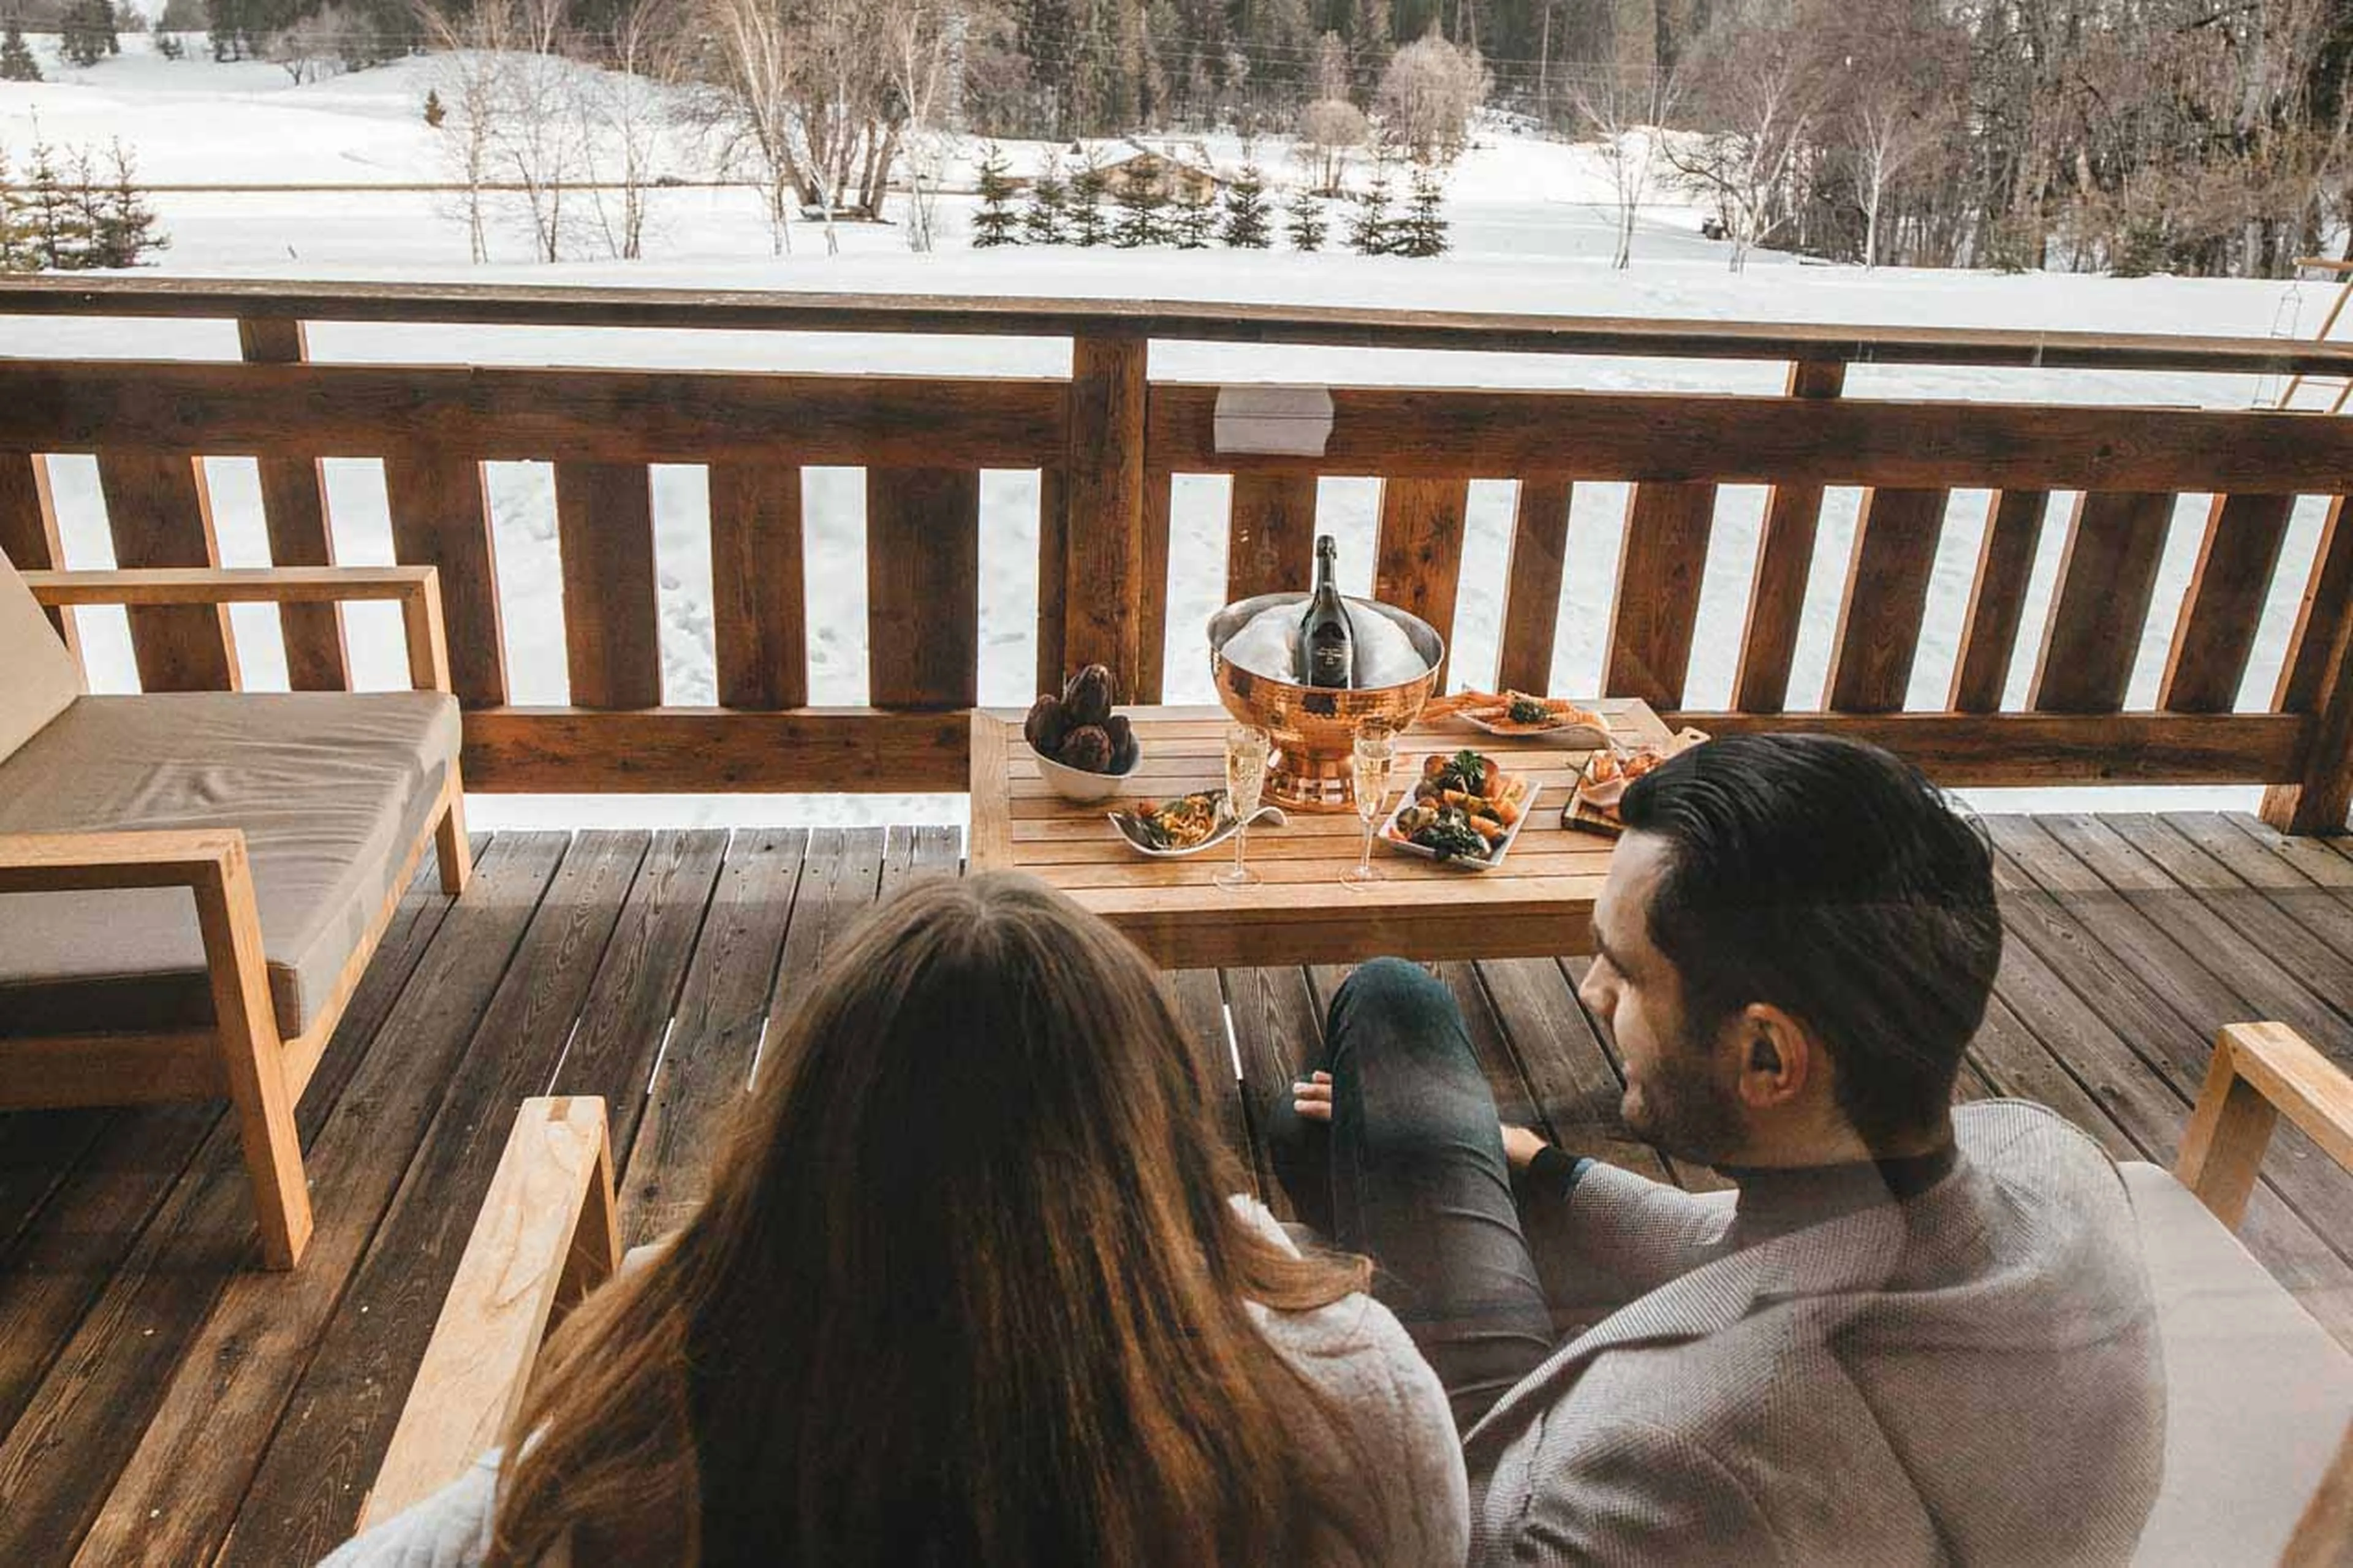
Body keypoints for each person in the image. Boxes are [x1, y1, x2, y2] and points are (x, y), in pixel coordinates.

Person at [327, 874, 1467, 1568]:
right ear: (1155, 1136)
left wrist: (687, 1261)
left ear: (806, 1141)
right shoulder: (1356, 1397)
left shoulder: (644, 1438)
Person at [1278, 733, 2164, 1566]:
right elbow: (1773, 1254)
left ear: (1768, 1056)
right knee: (1349, 1108)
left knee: (1383, 1019)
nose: (1590, 992)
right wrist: (1541, 1163)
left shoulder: (1673, 1459)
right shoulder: (2048, 1158)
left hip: (1490, 1475)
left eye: (1623, 971)